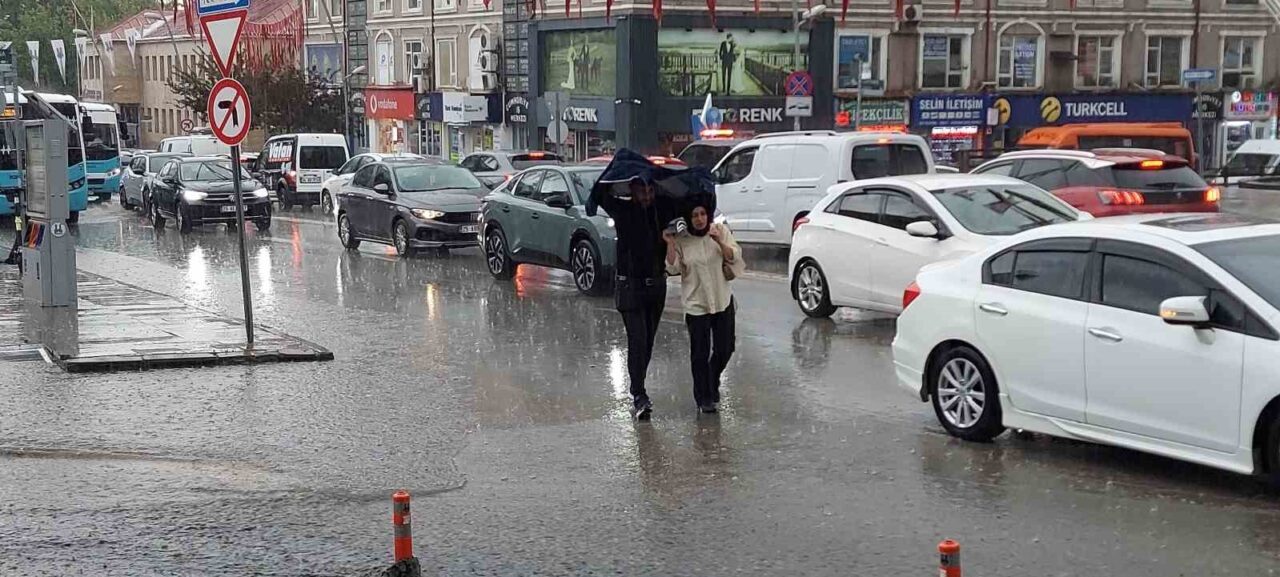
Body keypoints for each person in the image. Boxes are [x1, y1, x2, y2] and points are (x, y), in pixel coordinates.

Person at [590, 178, 676, 420]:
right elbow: (598, 193)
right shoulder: (623, 209)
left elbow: (685, 203)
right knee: (637, 340)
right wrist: (615, 176)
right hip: (630, 286)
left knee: (647, 342)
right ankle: (638, 394)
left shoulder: (661, 210)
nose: (647, 196)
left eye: (650, 191)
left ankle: (639, 384)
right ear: (633, 191)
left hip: (656, 287)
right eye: (642, 191)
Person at [664, 202, 742, 414]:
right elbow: (671, 267)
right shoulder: (683, 240)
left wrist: (718, 241)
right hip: (696, 303)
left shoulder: (720, 231)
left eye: (702, 214)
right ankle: (703, 398)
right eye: (694, 215)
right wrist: (670, 244)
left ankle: (712, 377)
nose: (699, 218)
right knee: (699, 353)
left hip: (721, 299)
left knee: (725, 348)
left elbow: (734, 256)